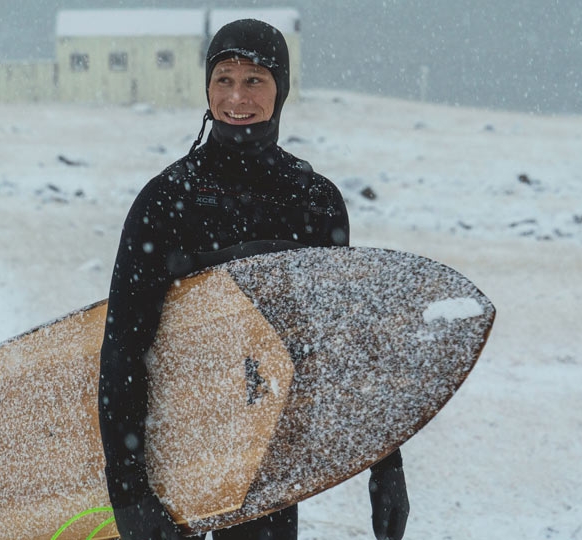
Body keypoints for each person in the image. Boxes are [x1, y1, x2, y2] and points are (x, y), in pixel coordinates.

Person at [98, 19, 410, 540]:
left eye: (254, 80)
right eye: (223, 79)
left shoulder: (314, 202)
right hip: (178, 449)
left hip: (267, 455)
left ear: (280, 89)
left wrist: (386, 467)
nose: (236, 97)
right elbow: (123, 348)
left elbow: (340, 345)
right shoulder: (166, 199)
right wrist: (129, 493)